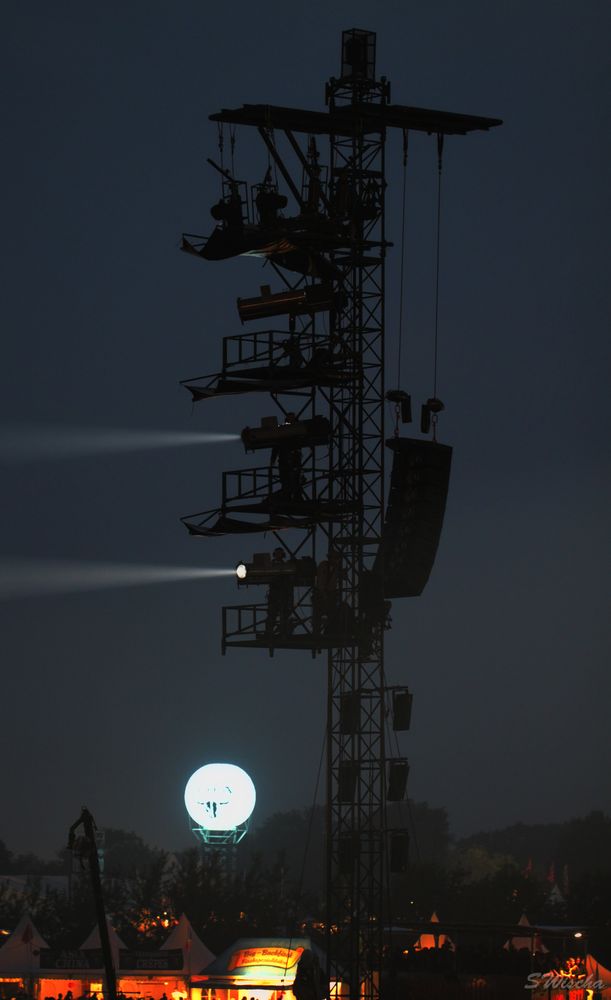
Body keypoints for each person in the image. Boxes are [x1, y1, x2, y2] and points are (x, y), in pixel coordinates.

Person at [264, 548, 294, 638]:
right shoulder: (271, 565)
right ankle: (269, 631)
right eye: (277, 553)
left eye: (280, 553)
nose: (278, 555)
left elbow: (288, 580)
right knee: (272, 613)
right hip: (275, 593)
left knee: (284, 613)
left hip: (283, 593)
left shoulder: (285, 566)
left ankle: (282, 631)